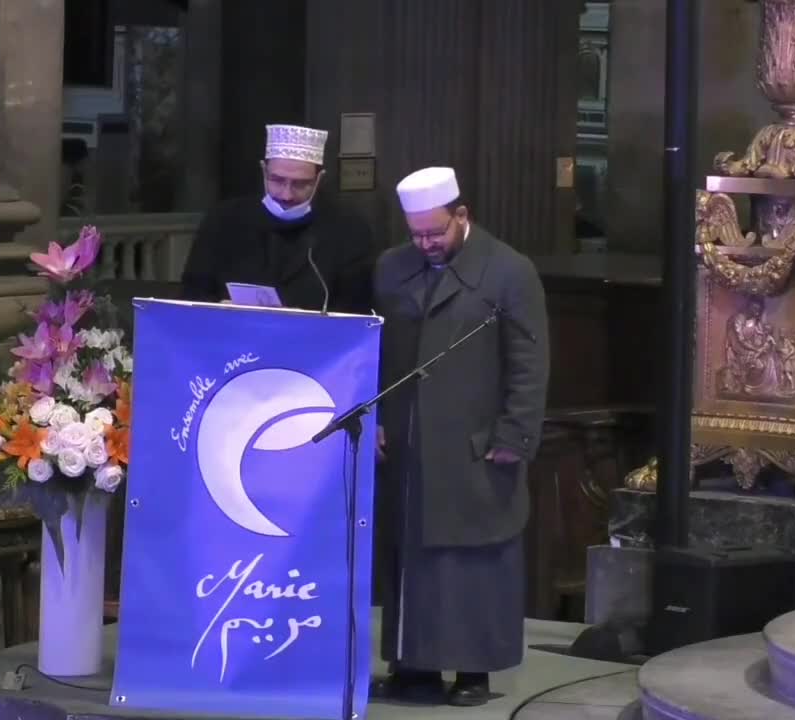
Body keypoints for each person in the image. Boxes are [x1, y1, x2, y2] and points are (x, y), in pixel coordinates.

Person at [371, 167, 549, 707]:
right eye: (416, 234)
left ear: (462, 216)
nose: (426, 244)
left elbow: (529, 363)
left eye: (436, 233)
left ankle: (475, 672)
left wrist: (514, 435)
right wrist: (375, 416)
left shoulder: (509, 271)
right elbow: (374, 349)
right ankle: (414, 667)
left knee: (474, 562)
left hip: (477, 444)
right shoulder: (391, 268)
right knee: (415, 560)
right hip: (406, 441)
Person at [180, 124, 374, 313]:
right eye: (277, 180)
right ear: (264, 170)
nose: (286, 195)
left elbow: (355, 312)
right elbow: (192, 294)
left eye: (300, 184)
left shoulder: (349, 230)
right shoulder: (223, 220)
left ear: (319, 179)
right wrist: (218, 309)